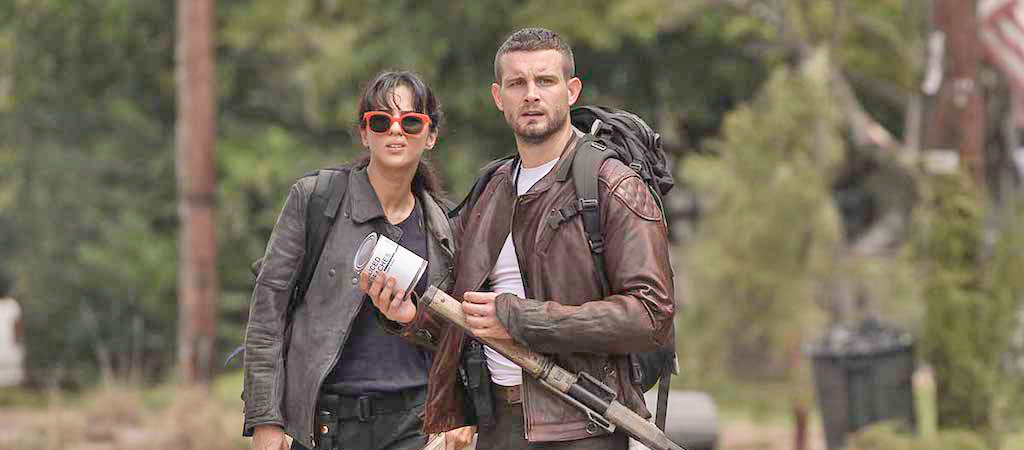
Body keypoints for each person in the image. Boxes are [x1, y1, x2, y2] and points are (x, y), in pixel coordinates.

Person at [365, 28, 675, 450]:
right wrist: (411, 317)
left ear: (571, 90)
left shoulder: (612, 184)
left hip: (584, 427)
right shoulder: (491, 189)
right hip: (498, 426)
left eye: (544, 81)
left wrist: (519, 319)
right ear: (498, 97)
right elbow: (469, 320)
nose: (531, 94)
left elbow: (651, 317)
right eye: (516, 83)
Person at [243, 70, 474, 450]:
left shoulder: (445, 227)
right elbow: (267, 316)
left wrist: (413, 322)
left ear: (430, 135)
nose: (395, 131)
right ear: (365, 134)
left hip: (414, 425)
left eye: (411, 122)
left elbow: (457, 336)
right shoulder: (316, 199)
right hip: (326, 425)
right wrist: (265, 419)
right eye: (381, 121)